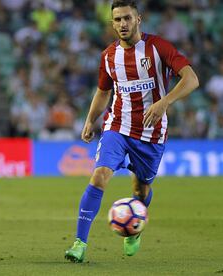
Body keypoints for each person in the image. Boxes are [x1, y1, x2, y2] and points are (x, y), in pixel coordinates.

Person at [64, 0, 199, 263]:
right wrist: (90, 120)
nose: (122, 24)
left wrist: (164, 102)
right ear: (112, 23)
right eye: (117, 20)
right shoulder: (108, 56)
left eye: (127, 18)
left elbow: (191, 78)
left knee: (140, 190)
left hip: (151, 132)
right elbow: (103, 91)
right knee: (100, 175)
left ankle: (133, 229)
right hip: (117, 126)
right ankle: (79, 243)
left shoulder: (158, 48)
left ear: (139, 19)